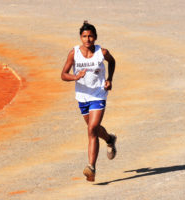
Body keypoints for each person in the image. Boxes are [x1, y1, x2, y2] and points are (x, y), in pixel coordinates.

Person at [61, 21, 116, 182]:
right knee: (94, 129)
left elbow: (112, 62)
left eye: (91, 36)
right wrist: (75, 77)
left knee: (92, 128)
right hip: (82, 97)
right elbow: (63, 74)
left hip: (99, 95)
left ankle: (91, 168)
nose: (88, 39)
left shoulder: (102, 52)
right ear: (80, 37)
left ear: (95, 37)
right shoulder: (74, 53)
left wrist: (109, 79)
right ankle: (110, 139)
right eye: (84, 36)